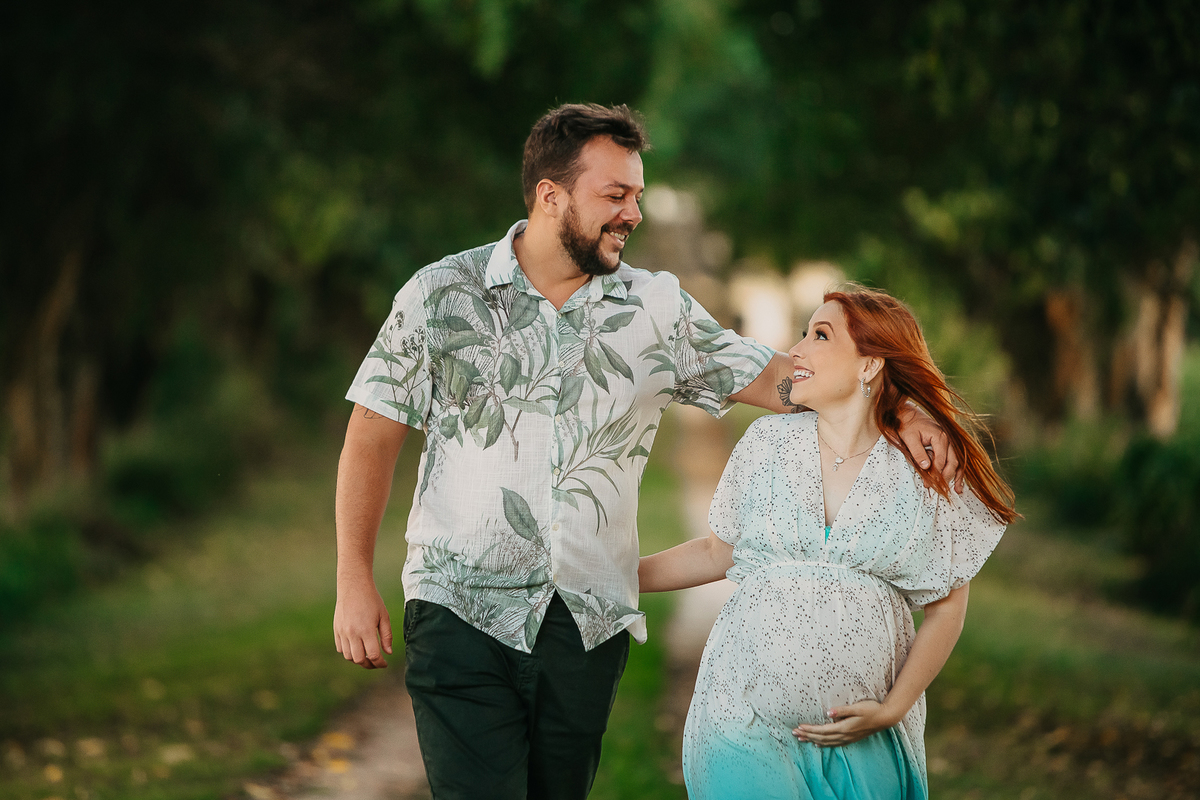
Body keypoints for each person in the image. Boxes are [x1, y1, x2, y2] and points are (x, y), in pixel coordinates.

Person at [333, 103, 958, 800]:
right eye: (615, 195)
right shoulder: (440, 295)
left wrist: (902, 407)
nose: (633, 213)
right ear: (551, 196)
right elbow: (372, 435)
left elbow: (782, 380)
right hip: (458, 609)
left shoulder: (656, 309)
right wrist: (354, 577)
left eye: (637, 194)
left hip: (585, 625)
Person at [639, 286, 1019, 800]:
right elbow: (716, 553)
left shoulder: (922, 468)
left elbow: (948, 608)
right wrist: (618, 575)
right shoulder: (766, 444)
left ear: (870, 365)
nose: (795, 350)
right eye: (803, 333)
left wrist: (893, 709)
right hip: (741, 721)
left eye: (820, 336)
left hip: (863, 741)